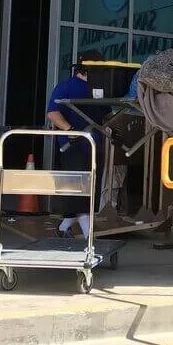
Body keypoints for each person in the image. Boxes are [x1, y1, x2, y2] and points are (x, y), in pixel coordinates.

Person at [46, 51, 105, 240]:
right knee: (78, 189)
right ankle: (88, 236)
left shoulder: (99, 89)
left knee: (91, 187)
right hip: (74, 146)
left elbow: (106, 114)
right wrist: (70, 130)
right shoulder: (66, 86)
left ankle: (64, 227)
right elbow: (52, 112)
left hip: (94, 144)